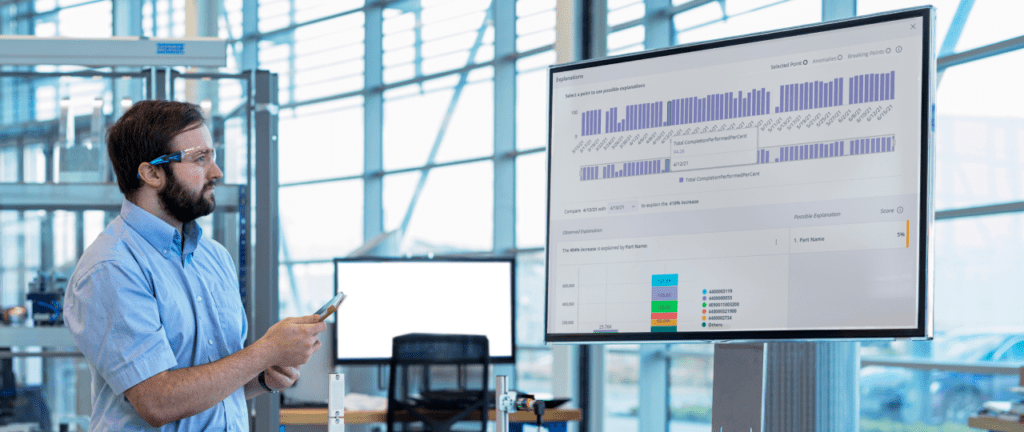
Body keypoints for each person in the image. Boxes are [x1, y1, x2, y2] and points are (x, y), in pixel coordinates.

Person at [64, 100, 325, 431]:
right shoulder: (111, 268)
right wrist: (264, 351)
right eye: (200, 159)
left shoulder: (213, 257)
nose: (216, 172)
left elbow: (207, 386)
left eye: (212, 156)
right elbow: (157, 401)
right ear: (152, 173)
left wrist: (261, 377)